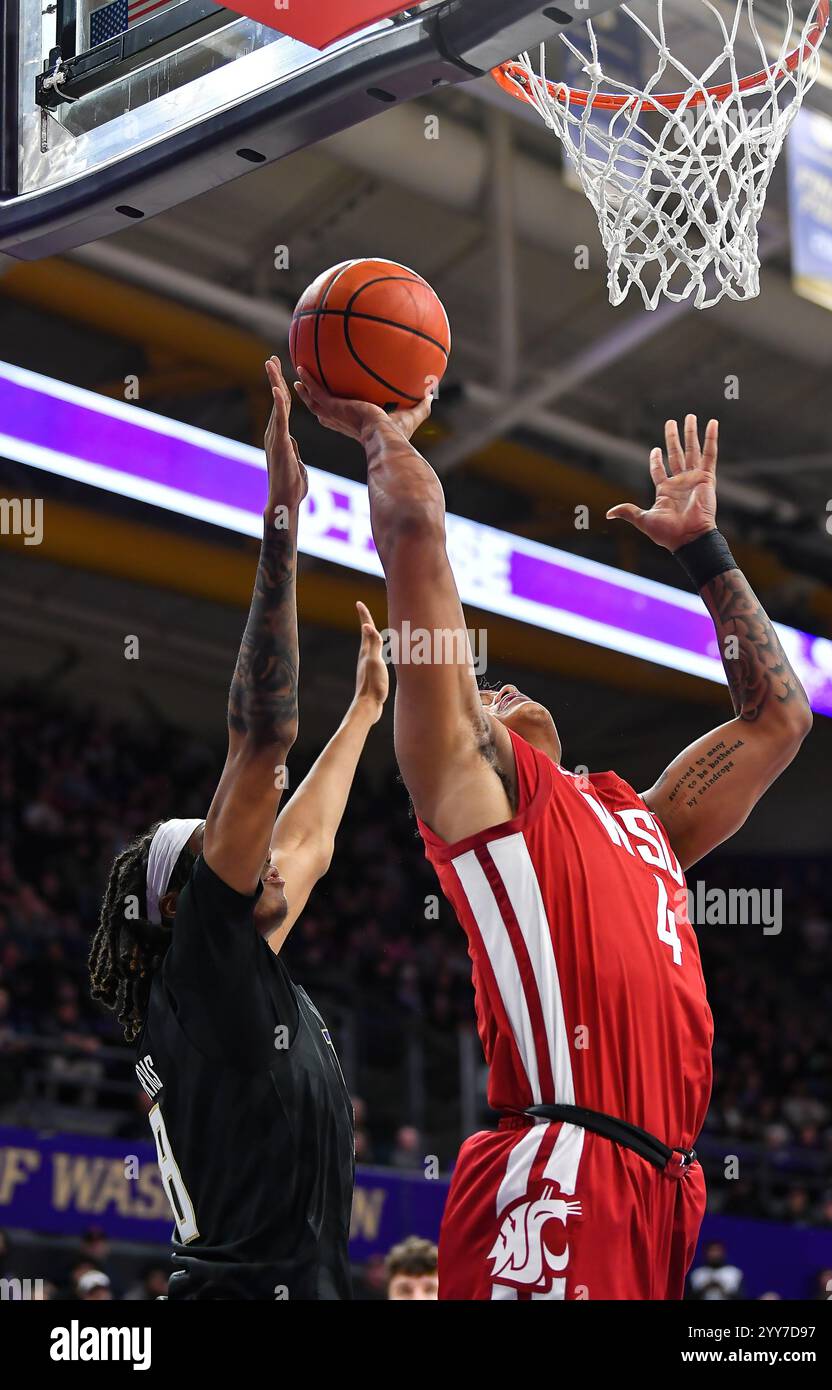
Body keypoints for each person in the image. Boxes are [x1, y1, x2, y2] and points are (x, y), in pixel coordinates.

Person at [295, 369, 812, 1302]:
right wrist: (383, 434)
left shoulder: (637, 818)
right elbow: (415, 537)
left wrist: (704, 550)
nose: (499, 690)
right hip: (561, 1163)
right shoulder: (485, 806)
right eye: (483, 692)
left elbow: (779, 720)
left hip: (663, 1185)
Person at [90, 359, 389, 1300]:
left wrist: (364, 719)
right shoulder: (200, 967)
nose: (259, 850)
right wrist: (282, 522)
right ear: (184, 898)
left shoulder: (219, 982)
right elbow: (261, 738)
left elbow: (308, 845)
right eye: (224, 845)